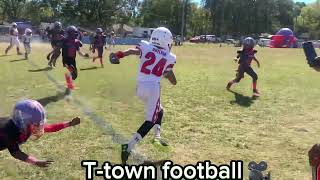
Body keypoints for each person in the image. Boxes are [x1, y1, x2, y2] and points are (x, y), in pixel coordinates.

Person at [109, 27, 177, 164]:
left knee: (160, 110)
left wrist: (118, 54)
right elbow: (169, 76)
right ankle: (128, 146)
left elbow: (132, 51)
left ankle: (157, 136)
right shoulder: (170, 57)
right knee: (150, 121)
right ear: (166, 41)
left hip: (140, 88)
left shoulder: (145, 46)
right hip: (153, 89)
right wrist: (173, 80)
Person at [0, 99, 80, 167]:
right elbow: (16, 153)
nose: (38, 127)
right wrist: (35, 161)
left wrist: (69, 123)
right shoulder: (8, 132)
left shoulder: (24, 125)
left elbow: (49, 128)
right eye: (36, 124)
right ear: (22, 121)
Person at [61, 26, 84, 91]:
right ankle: (70, 85)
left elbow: (79, 51)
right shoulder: (64, 41)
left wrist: (84, 55)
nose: (75, 34)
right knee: (72, 69)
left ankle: (69, 84)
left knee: (74, 75)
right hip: (66, 60)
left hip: (72, 60)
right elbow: (59, 45)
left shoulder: (76, 42)